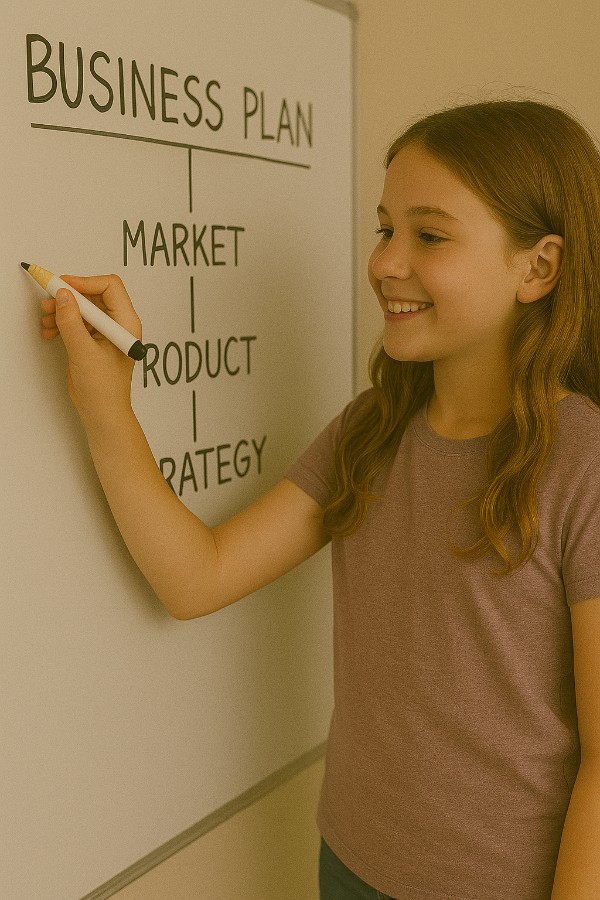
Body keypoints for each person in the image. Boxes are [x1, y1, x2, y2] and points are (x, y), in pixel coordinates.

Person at [41, 99, 600, 900]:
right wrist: (106, 404)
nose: (385, 262)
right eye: (385, 229)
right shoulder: (372, 431)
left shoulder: (583, 462)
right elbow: (195, 578)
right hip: (348, 865)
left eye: (429, 235)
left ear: (538, 268)